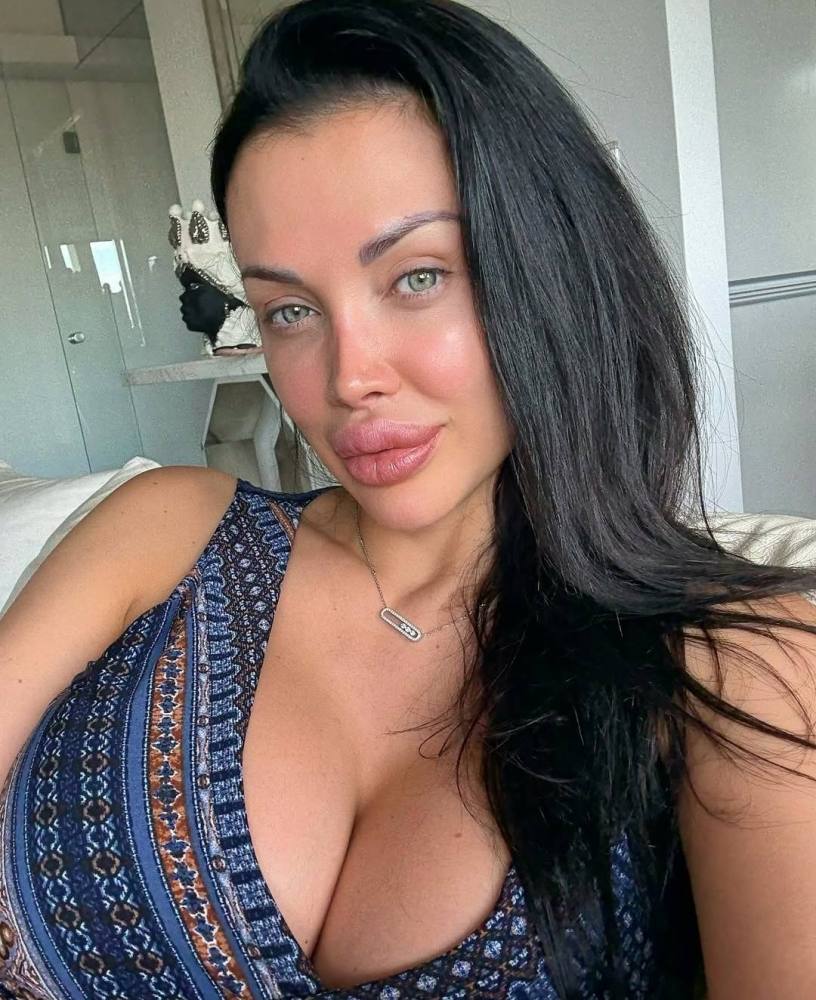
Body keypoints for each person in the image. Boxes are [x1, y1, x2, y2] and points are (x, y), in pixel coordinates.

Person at [2, 1, 816, 997]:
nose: (349, 377)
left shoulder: (739, 670)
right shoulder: (170, 530)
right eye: (288, 309)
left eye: (418, 276)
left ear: (554, 271)